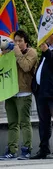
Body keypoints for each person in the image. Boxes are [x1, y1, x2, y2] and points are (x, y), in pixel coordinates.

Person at [0, 30, 37, 160]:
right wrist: (4, 55)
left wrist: (16, 52)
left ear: (25, 42)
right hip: (10, 92)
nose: (17, 43)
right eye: (15, 41)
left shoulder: (31, 52)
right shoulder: (9, 53)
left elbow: (26, 67)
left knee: (24, 122)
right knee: (12, 123)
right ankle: (11, 149)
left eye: (20, 41)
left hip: (24, 92)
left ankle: (26, 149)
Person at [31, 29, 53, 160]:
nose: (45, 36)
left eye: (48, 34)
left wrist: (47, 51)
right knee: (43, 122)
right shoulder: (47, 48)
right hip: (41, 91)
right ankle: (44, 148)